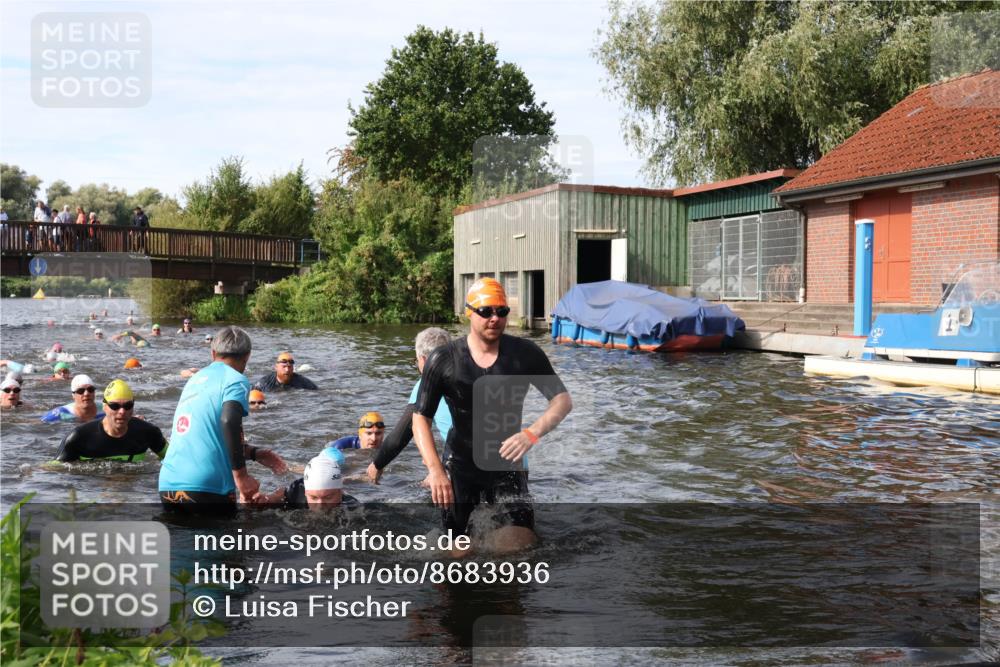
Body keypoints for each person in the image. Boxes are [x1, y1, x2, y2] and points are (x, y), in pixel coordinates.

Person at [411, 278, 572, 550]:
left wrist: (531, 434)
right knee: (459, 552)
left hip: (507, 465)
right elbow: (420, 419)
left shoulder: (524, 354)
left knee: (518, 544)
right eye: (486, 312)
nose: (494, 318)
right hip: (461, 466)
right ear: (469, 312)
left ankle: (506, 592)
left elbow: (562, 400)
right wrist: (436, 470)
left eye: (502, 312)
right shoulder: (443, 359)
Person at [159, 326, 285, 515]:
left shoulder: (194, 380)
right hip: (207, 488)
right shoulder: (236, 380)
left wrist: (254, 453)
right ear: (247, 356)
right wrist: (241, 477)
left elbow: (205, 436)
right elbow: (229, 421)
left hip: (168, 486)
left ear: (213, 353)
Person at [368, 328, 454, 484]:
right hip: (502, 454)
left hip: (465, 460)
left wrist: (376, 465)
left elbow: (399, 437)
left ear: (423, 359)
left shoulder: (425, 386)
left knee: (423, 488)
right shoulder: (473, 372)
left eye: (416, 362)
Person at [54, 380, 168, 463]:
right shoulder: (79, 437)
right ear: (104, 406)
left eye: (128, 406)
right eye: (115, 406)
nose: (122, 411)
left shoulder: (148, 432)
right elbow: (54, 471)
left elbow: (175, 459)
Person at [262, 450, 358, 511]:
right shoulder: (296, 490)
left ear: (340, 492)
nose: (320, 506)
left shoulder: (352, 508)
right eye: (314, 498)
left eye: (328, 497)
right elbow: (271, 499)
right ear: (305, 493)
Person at [40, 374, 104, 423]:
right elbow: (38, 423)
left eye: (90, 389)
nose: (86, 393)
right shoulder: (61, 413)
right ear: (73, 395)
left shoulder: (106, 409)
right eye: (81, 391)